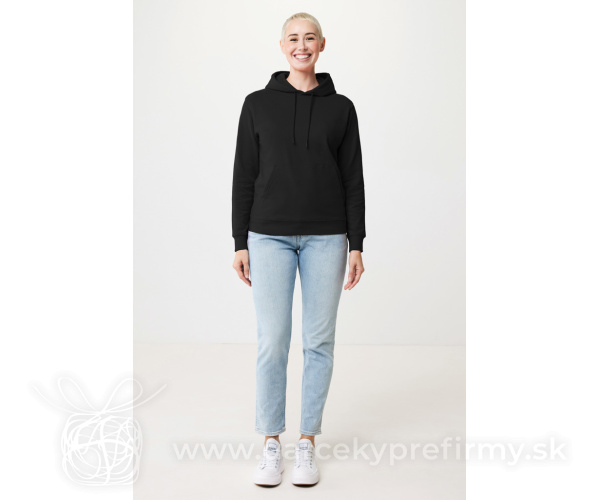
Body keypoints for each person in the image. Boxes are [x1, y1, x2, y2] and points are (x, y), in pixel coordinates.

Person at [231, 12, 366, 487]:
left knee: (318, 342)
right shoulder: (256, 104)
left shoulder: (342, 108)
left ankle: (307, 442)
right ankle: (271, 442)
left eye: (310, 38)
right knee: (272, 340)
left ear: (322, 45)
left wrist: (356, 244)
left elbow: (353, 178)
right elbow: (244, 174)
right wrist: (240, 241)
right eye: (293, 38)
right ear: (282, 46)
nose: (301, 45)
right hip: (268, 236)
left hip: (327, 237)